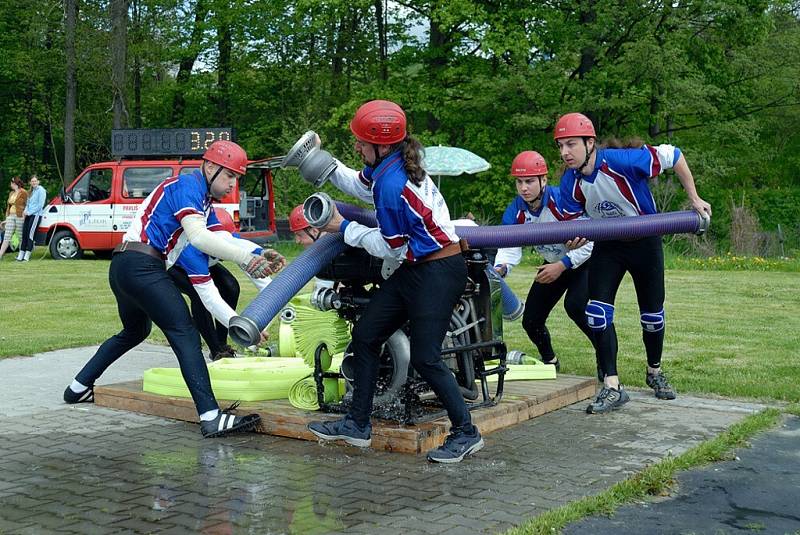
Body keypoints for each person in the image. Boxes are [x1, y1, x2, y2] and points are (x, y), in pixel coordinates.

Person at [306, 99, 483, 463]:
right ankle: (357, 426)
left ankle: (466, 432)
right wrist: (323, 163)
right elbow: (358, 184)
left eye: (360, 142)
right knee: (367, 335)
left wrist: (344, 228)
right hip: (418, 268)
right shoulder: (390, 165)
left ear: (382, 144)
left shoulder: (392, 185)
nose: (356, 147)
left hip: (438, 271)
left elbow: (391, 248)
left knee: (427, 357)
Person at [63, 140, 276, 438]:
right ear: (211, 168)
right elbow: (201, 239)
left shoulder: (202, 200)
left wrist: (257, 253)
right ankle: (211, 417)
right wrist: (246, 259)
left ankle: (77, 387)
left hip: (124, 265)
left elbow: (223, 241)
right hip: (143, 265)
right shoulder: (187, 186)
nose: (233, 184)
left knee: (134, 332)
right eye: (230, 176)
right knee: (185, 332)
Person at [554, 112, 712, 413]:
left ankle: (654, 371)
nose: (564, 153)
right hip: (609, 246)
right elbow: (575, 221)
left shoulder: (623, 160)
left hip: (645, 241)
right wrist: (576, 238)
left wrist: (693, 197)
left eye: (571, 144)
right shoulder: (569, 181)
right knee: (597, 313)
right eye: (560, 146)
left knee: (652, 317)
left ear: (590, 143)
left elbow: (674, 155)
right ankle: (612, 386)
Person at [493, 151, 595, 372]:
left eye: (529, 181)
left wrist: (563, 265)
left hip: (582, 262)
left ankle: (605, 357)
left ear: (544, 180)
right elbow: (509, 246)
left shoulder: (563, 200)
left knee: (576, 306)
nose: (523, 188)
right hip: (552, 264)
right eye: (519, 182)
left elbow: (590, 241)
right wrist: (501, 268)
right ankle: (550, 362)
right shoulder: (516, 209)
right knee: (531, 320)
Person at [168, 208, 284, 361]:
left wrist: (285, 309)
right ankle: (216, 349)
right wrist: (241, 328)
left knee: (231, 287)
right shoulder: (192, 253)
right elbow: (210, 298)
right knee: (198, 296)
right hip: (175, 265)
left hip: (206, 259)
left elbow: (261, 280)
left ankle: (221, 343)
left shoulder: (229, 240)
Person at [17, 175, 46, 262]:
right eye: (32, 181)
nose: (33, 183)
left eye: (35, 181)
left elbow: (40, 205)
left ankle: (27, 255)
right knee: (24, 234)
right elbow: (28, 204)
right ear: (30, 182)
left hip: (36, 215)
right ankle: (21, 254)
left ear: (38, 182)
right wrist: (25, 212)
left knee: (30, 234)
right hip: (28, 215)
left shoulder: (41, 190)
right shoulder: (31, 191)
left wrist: (29, 212)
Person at [0, 177, 27, 259]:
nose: (10, 185)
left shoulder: (23, 192)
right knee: (7, 236)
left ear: (15, 183)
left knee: (20, 236)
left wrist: (24, 215)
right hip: (10, 216)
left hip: (19, 216)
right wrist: (6, 218)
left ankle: (21, 255)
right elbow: (9, 206)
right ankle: (0, 255)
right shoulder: (11, 193)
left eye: (11, 183)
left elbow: (27, 204)